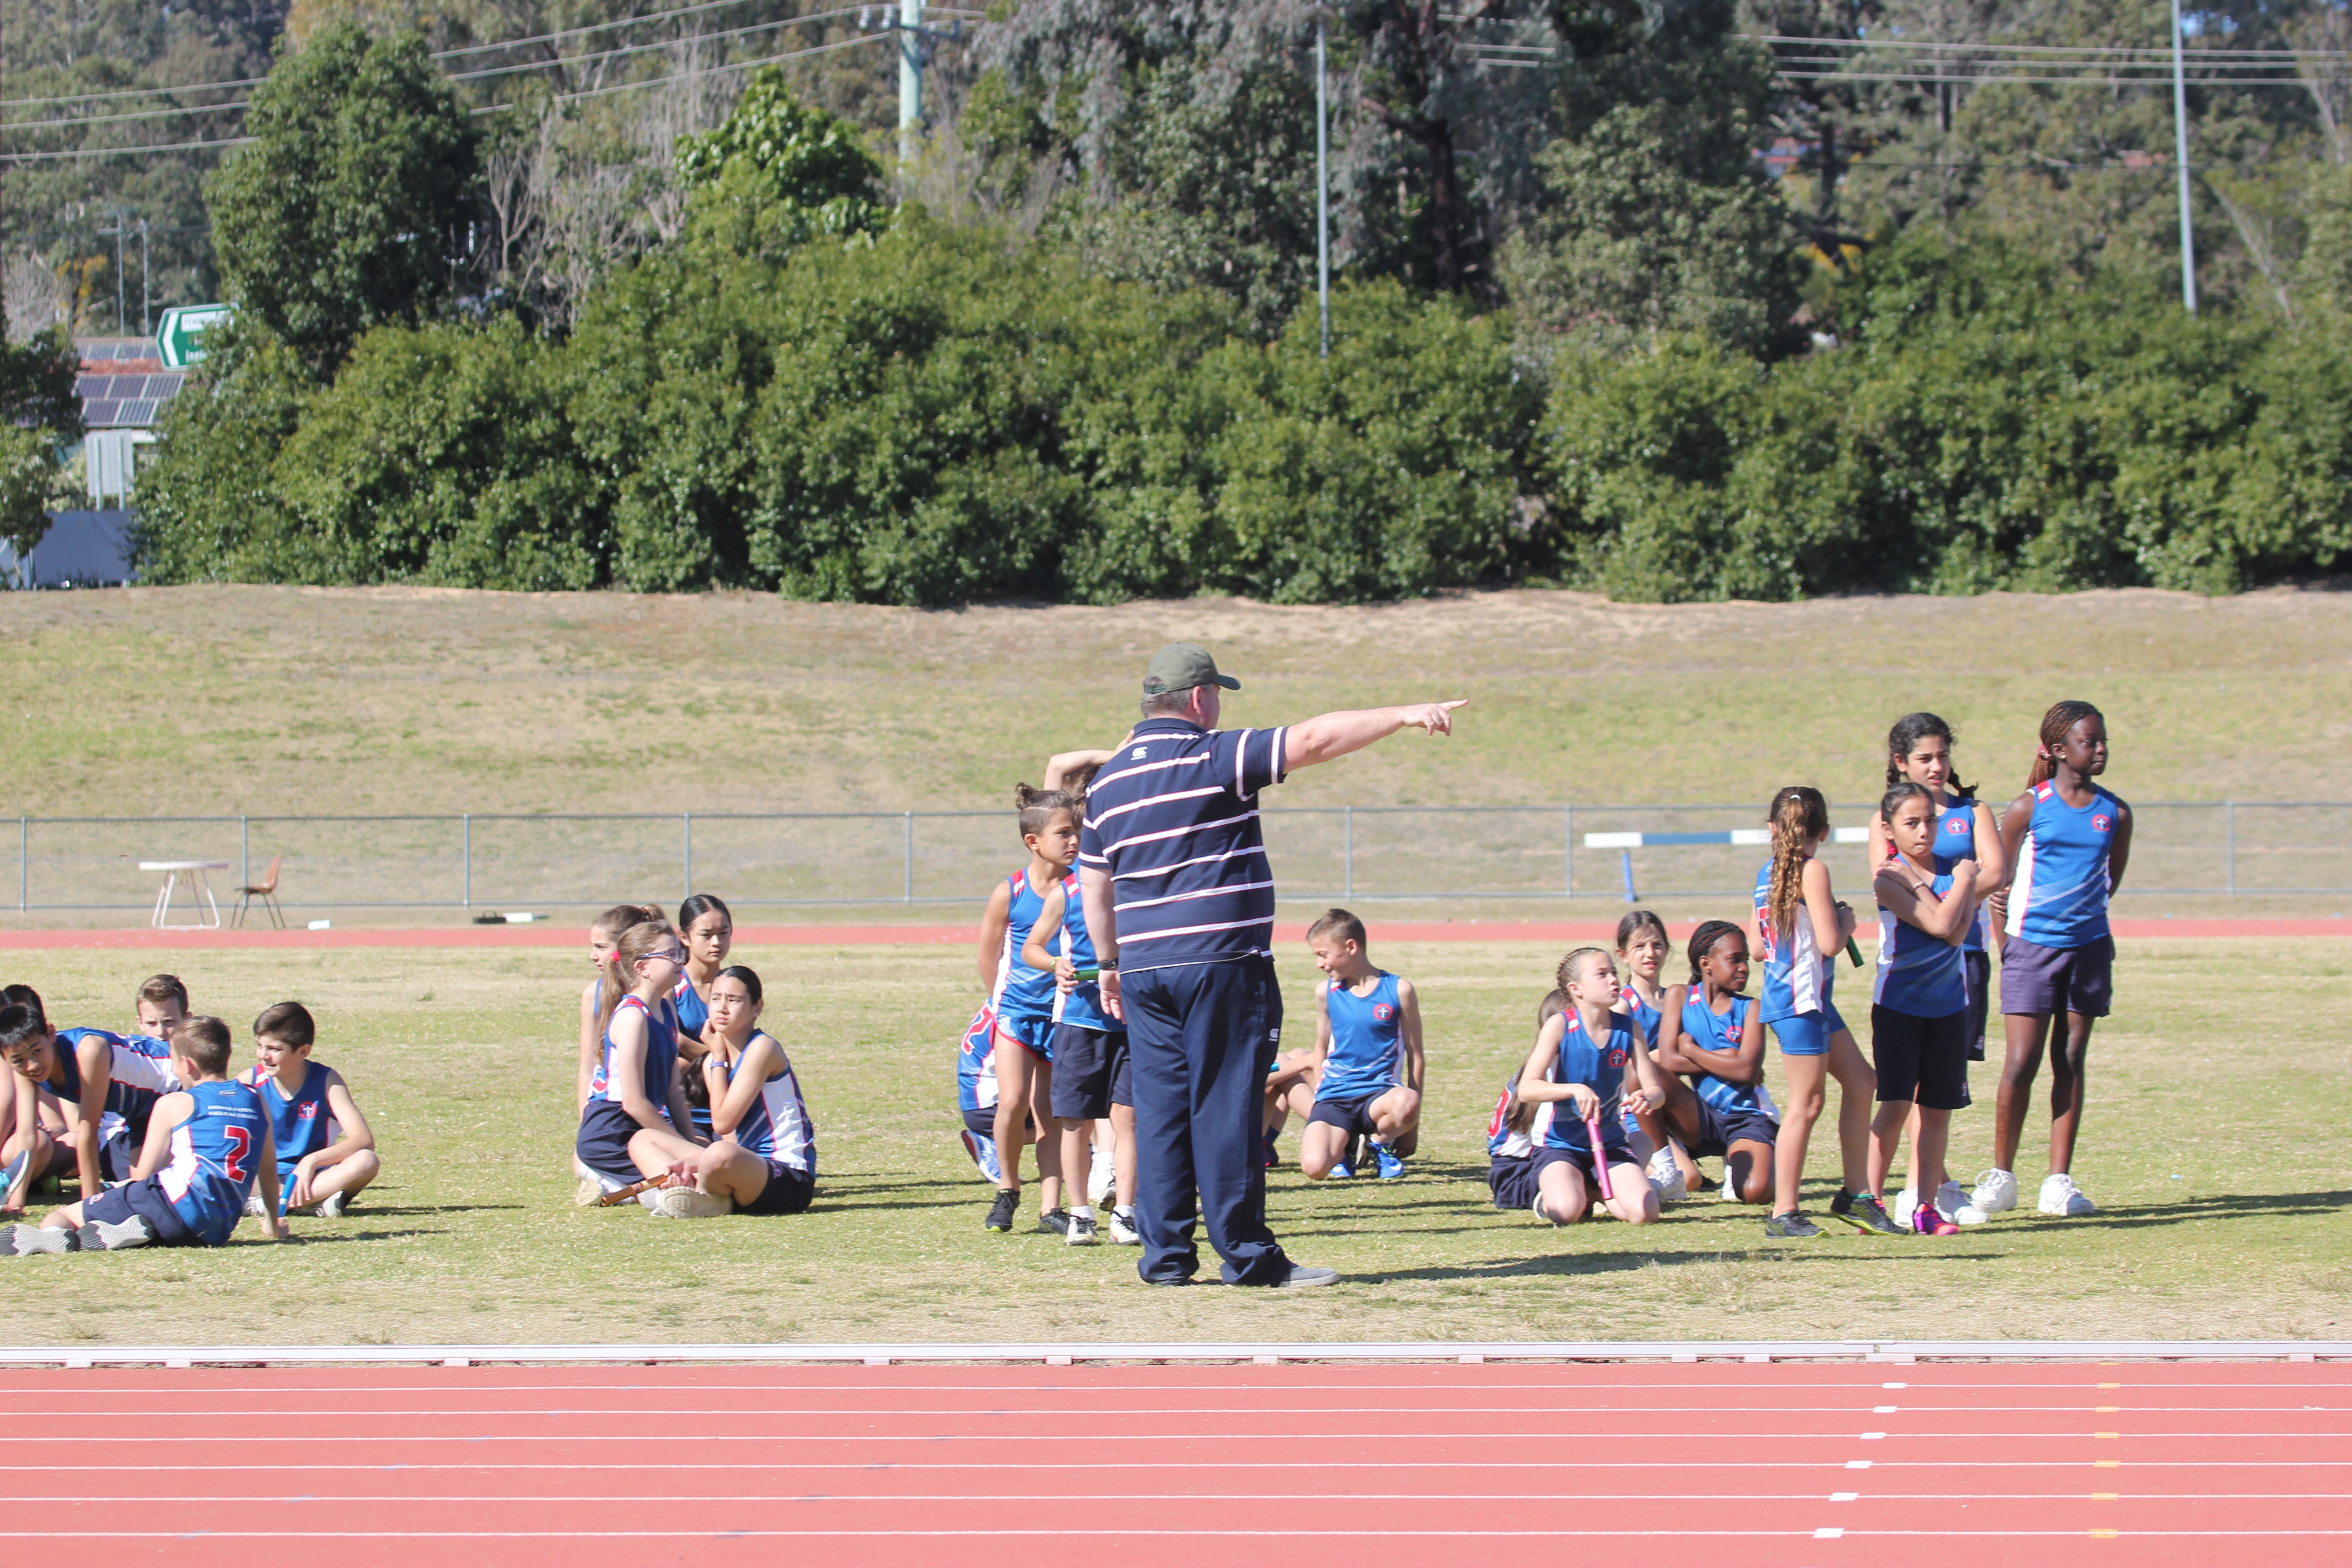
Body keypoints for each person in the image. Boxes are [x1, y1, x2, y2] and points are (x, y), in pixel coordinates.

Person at [1078, 642, 1462, 1288]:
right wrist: (1402, 713)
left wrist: (1109, 965)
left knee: (1163, 1111)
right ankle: (1249, 1258)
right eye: (1217, 696)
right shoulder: (1213, 752)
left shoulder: (1108, 782)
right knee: (1227, 1107)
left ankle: (1166, 1258)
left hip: (1143, 971)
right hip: (1222, 962)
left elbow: (1095, 888)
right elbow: (1314, 739)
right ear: (1200, 699)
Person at [1976, 700, 2132, 1220]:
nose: (2101, 748)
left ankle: (2058, 1183)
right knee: (2020, 1062)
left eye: (2104, 739)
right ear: (2059, 749)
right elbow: (1997, 882)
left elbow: (2110, 882)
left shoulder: (2117, 812)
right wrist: (2007, 945)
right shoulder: (2028, 807)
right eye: (2091, 741)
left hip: (2088, 950)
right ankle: (2001, 1176)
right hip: (2031, 950)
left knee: (2069, 1060)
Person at [1866, 713, 2005, 1227]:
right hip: (1909, 968)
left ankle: (1931, 1194)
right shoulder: (1890, 819)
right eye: (1925, 758)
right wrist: (1954, 898)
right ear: (1901, 763)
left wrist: (1957, 904)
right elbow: (1892, 881)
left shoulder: (1973, 812)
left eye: (1943, 756)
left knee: (1944, 1091)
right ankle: (1902, 1193)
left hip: (1961, 959)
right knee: (1902, 1096)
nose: (1937, 766)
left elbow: (1998, 870)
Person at [4, 1016, 286, 1255]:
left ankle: (52, 1237)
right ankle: (120, 1230)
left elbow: (144, 1176)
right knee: (140, 1203)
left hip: (172, 1205)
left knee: (61, 1215)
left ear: (186, 1065)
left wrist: (102, 1197)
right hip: (215, 1231)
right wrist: (273, 1224)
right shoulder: (256, 1099)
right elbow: (268, 1170)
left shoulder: (174, 1103)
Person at [1754, 786, 1885, 1238]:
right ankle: (1784, 1212)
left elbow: (1756, 947)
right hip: (1799, 1001)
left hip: (1807, 1000)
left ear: (1773, 828)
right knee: (1806, 1105)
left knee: (1863, 1082)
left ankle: (1855, 1194)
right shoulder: (1813, 871)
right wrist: (1847, 921)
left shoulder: (1766, 873)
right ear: (1823, 832)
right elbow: (1832, 942)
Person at [973, 784, 1078, 1235]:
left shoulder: (1080, 887)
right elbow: (988, 955)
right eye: (1064, 833)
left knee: (1051, 1110)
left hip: (1062, 1016)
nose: (1074, 841)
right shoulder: (1010, 891)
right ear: (1034, 842)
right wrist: (999, 1002)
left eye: (1077, 832)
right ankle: (1008, 1188)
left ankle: (1050, 1207)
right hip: (1016, 1014)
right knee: (1012, 1102)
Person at [573, 918, 719, 1218]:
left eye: (680, 952)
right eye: (670, 955)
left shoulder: (665, 1010)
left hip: (642, 1127)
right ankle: (620, 1185)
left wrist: (688, 1144)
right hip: (612, 1131)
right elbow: (635, 1103)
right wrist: (683, 1148)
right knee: (701, 1176)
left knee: (712, 1166)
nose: (681, 960)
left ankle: (625, 1189)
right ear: (641, 968)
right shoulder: (632, 1018)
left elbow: (672, 1091)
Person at [1513, 948, 1663, 1228]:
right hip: (1561, 1145)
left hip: (1610, 1143)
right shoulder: (1560, 1026)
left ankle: (1595, 1190)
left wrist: (1649, 1097)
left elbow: (1656, 1090)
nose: (1613, 980)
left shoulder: (1630, 1029)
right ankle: (1554, 1195)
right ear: (1576, 989)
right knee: (1565, 1212)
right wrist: (1574, 1090)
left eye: (1614, 973)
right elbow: (1527, 1089)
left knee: (1645, 1214)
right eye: (1602, 974)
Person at [1022, 862, 1126, 1247]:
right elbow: (1032, 947)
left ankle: (1126, 1213)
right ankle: (1080, 1213)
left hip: (1133, 1022)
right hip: (1080, 1022)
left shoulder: (1137, 883)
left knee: (1129, 1122)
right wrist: (1055, 964)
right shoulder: (1066, 893)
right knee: (1075, 1122)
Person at [1, 993, 179, 1212]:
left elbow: (88, 1130)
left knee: (168, 1183)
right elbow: (26, 1135)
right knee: (142, 1185)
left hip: (179, 1089)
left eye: (37, 1051)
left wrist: (88, 1205)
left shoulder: (88, 1050)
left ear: (51, 1033)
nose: (31, 1066)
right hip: (139, 1112)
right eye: (18, 1061)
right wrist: (16, 1201)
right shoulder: (25, 1069)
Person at [666, 965, 816, 1217]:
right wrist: (692, 1164)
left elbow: (723, 1123)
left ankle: (702, 1196)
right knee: (645, 1139)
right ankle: (702, 1194)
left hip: (788, 1179)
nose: (722, 1008)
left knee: (717, 1154)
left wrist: (717, 1056)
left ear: (757, 1008)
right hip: (745, 1168)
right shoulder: (713, 1064)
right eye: (716, 998)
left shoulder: (763, 1049)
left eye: (733, 1000)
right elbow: (731, 1139)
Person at [1656, 920, 1778, 1205]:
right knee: (1643, 1074)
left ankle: (1762, 1154)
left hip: (1746, 1118)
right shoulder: (1680, 996)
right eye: (1735, 960)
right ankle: (1667, 1168)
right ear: (1706, 963)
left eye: (1746, 960)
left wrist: (1692, 1051)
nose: (1744, 968)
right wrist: (1728, 1057)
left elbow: (1747, 1071)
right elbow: (1669, 1060)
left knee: (1754, 1193)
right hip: (1701, 1116)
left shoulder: (1751, 1008)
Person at [1297, 910, 1422, 1182]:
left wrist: (1412, 1127)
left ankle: (1378, 1142)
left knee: (1409, 1102)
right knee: (1315, 1168)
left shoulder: (1399, 989)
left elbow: (1416, 1054)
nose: (1320, 964)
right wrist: (1321, 1095)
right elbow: (1321, 1049)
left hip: (1378, 1097)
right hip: (1335, 1098)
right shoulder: (1325, 993)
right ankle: (1347, 1146)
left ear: (1350, 947)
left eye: (1323, 954)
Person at [238, 1002, 381, 1220]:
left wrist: (310, 1162)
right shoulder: (249, 1081)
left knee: (366, 1161)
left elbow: (363, 1139)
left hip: (313, 1177)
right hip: (264, 1177)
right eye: (260, 1046)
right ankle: (311, 1203)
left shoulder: (326, 1081)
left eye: (274, 1049)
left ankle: (270, 1204)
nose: (263, 1055)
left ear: (303, 1051)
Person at [1611, 909, 1701, 1201]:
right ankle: (1622, 1177)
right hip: (1638, 1110)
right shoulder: (1623, 1006)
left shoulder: (1677, 999)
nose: (1651, 953)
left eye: (1658, 945)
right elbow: (1618, 1070)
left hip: (1672, 1106)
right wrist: (1663, 1057)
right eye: (1640, 947)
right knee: (1690, 1178)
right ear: (1623, 955)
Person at [578, 904, 662, 1115]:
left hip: (654, 1107)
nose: (592, 955)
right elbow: (588, 1067)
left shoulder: (659, 993)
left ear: (627, 946)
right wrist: (585, 1121)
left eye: (601, 947)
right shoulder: (594, 995)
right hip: (609, 1111)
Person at [672, 893, 735, 1050]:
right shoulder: (672, 985)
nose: (717, 942)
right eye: (706, 935)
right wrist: (717, 1058)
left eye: (723, 933)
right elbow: (673, 1039)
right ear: (685, 938)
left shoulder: (736, 985)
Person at [133, 974, 192, 1046]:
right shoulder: (133, 1055)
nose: (160, 1032)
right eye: (151, 1023)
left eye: (168, 1021)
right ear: (140, 1023)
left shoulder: (199, 1055)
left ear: (187, 1021)